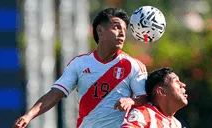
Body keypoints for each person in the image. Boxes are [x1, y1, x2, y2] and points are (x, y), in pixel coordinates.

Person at [14, 7, 148, 128]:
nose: (122, 34)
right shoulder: (79, 64)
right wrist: (28, 115)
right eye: (117, 27)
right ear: (100, 30)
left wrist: (131, 101)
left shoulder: (133, 66)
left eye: (124, 30)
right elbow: (55, 94)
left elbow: (145, 98)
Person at [121, 67, 188, 128]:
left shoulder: (177, 124)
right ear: (161, 92)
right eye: (176, 81)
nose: (183, 85)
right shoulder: (143, 115)